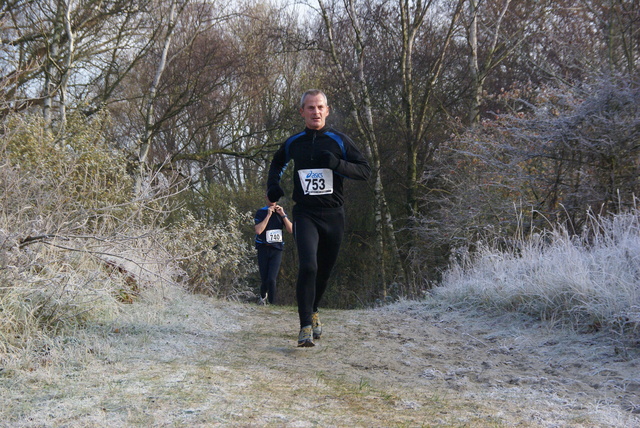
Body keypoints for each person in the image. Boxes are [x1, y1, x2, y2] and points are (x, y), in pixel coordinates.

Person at [266, 89, 371, 347]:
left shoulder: (338, 140)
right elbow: (277, 163)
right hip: (306, 214)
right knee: (309, 266)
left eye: (320, 107)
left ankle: (313, 310)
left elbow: (365, 171)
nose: (315, 112)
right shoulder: (295, 142)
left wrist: (337, 164)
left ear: (327, 110)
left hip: (334, 215)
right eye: (310, 108)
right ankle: (304, 326)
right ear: (302, 111)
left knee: (323, 271)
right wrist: (273, 187)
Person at [254, 198, 293, 305]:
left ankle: (272, 303)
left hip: (277, 249)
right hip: (263, 248)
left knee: (272, 279)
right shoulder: (261, 212)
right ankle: (262, 297)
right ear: (266, 198)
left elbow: (291, 230)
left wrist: (283, 215)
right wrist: (268, 215)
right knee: (265, 279)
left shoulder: (281, 212)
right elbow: (258, 230)